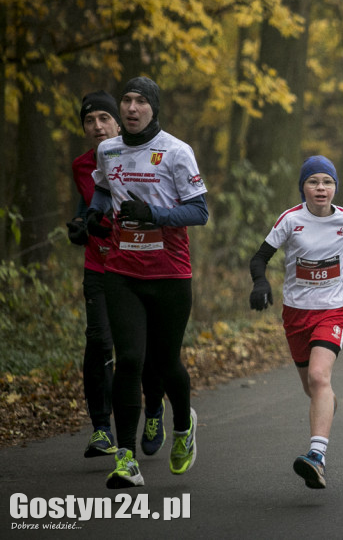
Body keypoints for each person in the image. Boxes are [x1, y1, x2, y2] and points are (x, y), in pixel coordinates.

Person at [87, 77, 208, 488]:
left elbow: (199, 212)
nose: (132, 108)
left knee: (165, 362)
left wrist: (154, 215)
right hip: (123, 272)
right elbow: (103, 193)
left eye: (140, 101)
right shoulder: (108, 150)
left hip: (170, 274)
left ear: (153, 107)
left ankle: (183, 427)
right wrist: (93, 214)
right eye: (127, 101)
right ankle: (125, 459)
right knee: (130, 360)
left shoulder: (176, 152)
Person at [249, 155, 343, 488]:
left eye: (327, 182)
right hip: (295, 313)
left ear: (335, 187)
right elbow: (260, 257)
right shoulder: (291, 220)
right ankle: (327, 401)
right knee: (313, 387)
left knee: (320, 377)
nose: (321, 188)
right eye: (313, 182)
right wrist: (260, 283)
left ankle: (316, 456)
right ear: (303, 187)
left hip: (331, 310)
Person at [68, 92, 164, 460]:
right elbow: (89, 202)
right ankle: (102, 429)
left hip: (143, 265)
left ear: (120, 121)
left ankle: (154, 409)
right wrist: (81, 226)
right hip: (100, 267)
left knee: (140, 352)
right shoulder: (81, 165)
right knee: (98, 341)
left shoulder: (144, 156)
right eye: (89, 121)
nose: (97, 127)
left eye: (104, 118)